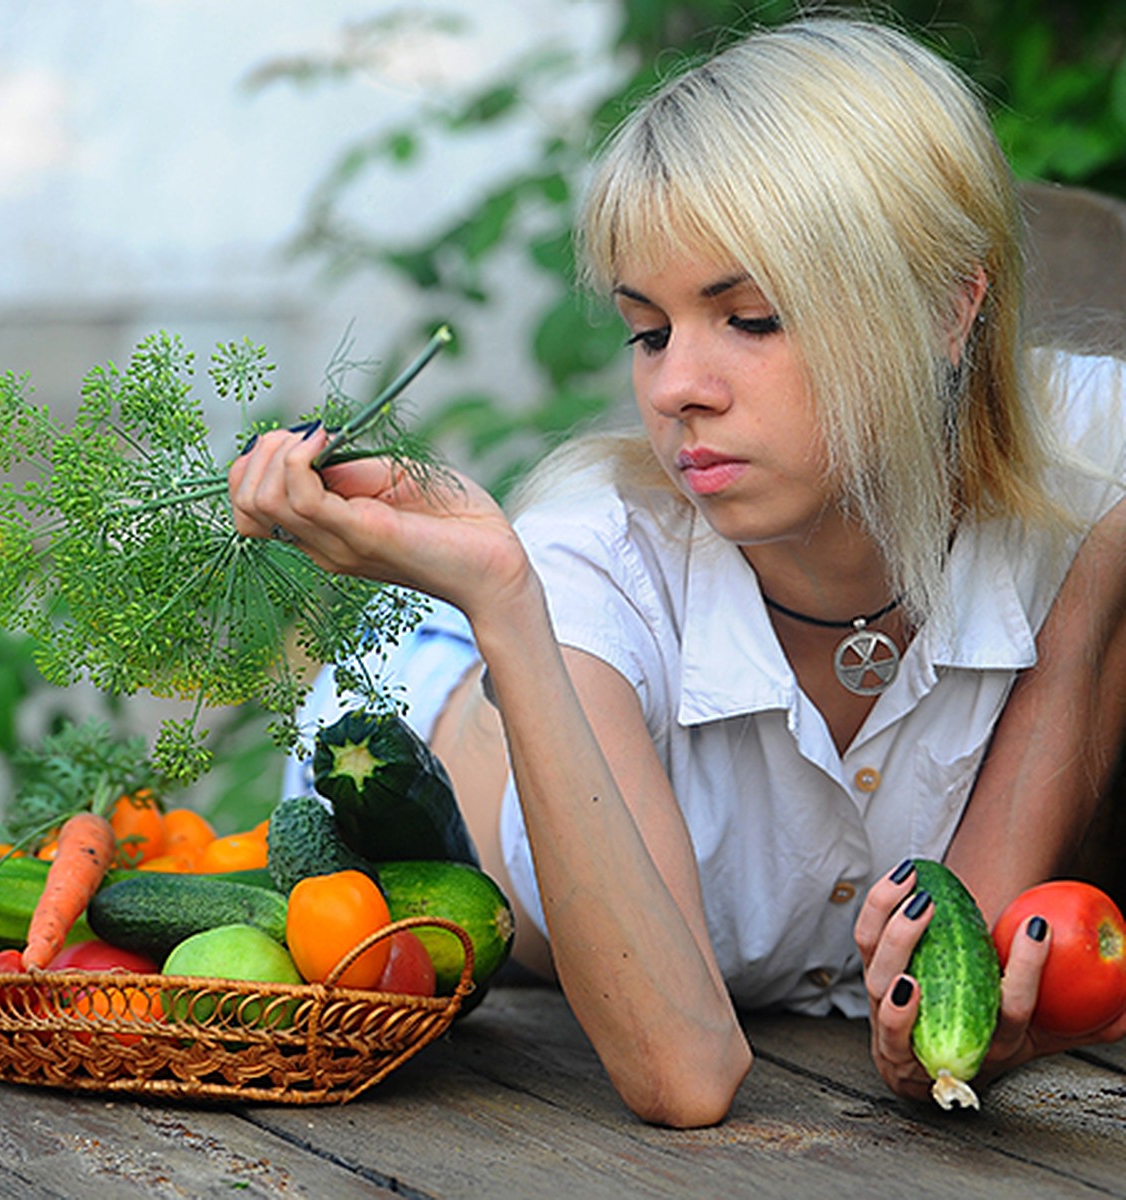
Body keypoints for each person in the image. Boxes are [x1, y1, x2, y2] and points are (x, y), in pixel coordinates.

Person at [229, 16, 1126, 1127]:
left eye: (750, 318)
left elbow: (961, 985)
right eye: (647, 333)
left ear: (949, 310)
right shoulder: (581, 563)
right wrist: (503, 608)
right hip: (426, 758)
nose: (677, 388)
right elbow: (686, 1072)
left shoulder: (1086, 461)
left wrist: (1089, 597)